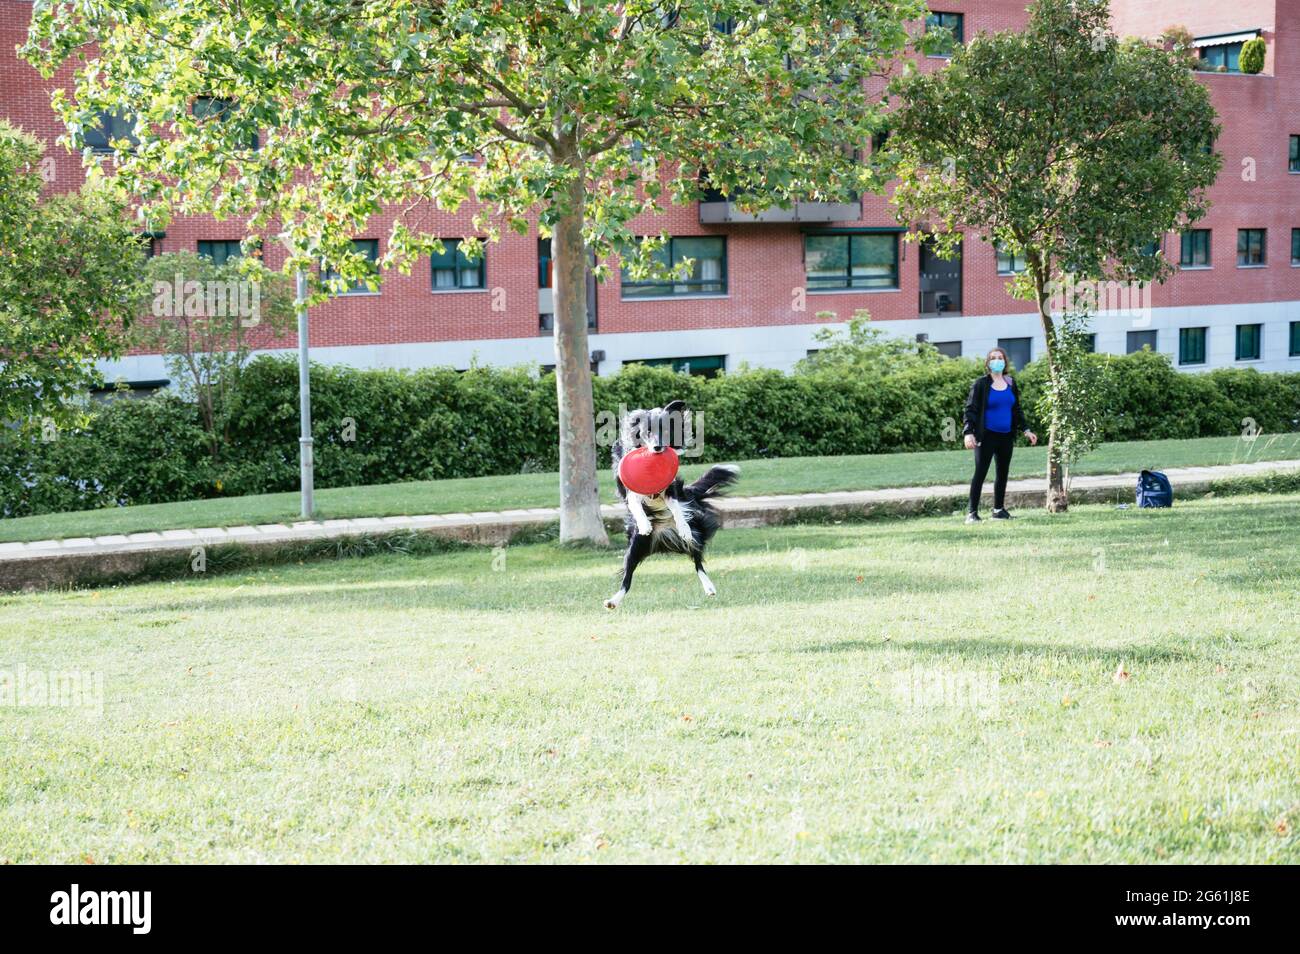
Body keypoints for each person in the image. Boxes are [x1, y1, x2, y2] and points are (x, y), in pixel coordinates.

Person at [962, 348, 1037, 522]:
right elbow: (970, 410)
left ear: (1005, 361)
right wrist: (968, 433)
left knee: (1002, 473)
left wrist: (1026, 430)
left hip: (1006, 436)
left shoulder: (1011, 382)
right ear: (988, 363)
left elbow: (1016, 409)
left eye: (1000, 358)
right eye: (993, 358)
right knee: (980, 473)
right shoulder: (981, 384)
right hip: (986, 436)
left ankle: (998, 510)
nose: (997, 361)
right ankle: (972, 513)